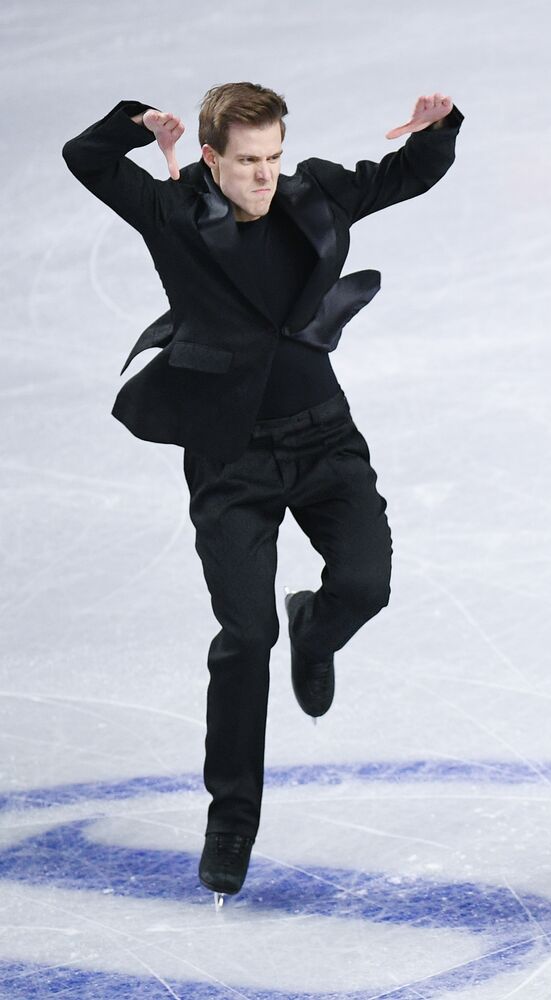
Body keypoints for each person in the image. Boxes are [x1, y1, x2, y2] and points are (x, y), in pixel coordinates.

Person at [62, 82, 465, 902]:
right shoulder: (173, 214)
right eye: (248, 162)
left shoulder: (311, 192)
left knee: (366, 583)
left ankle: (316, 625)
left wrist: (439, 126)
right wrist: (135, 123)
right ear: (211, 159)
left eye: (274, 157)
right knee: (244, 638)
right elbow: (86, 160)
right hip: (230, 458)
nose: (264, 175)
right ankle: (231, 816)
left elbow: (408, 176)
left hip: (322, 434)